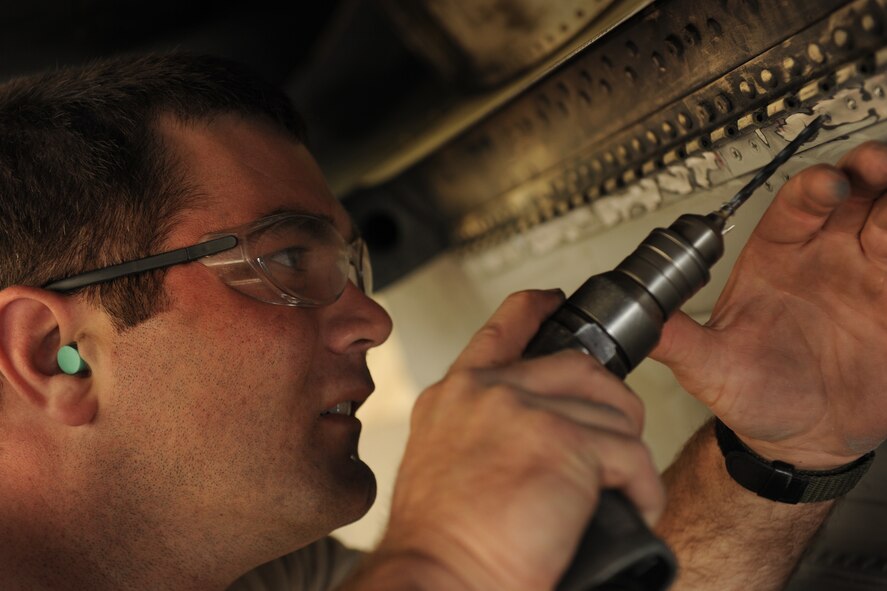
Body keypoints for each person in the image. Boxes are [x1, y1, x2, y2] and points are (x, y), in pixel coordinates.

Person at [0, 52, 884, 591]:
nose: (373, 320)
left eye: (350, 265)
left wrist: (780, 457)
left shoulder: (266, 579)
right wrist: (449, 559)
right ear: (53, 353)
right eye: (283, 259)